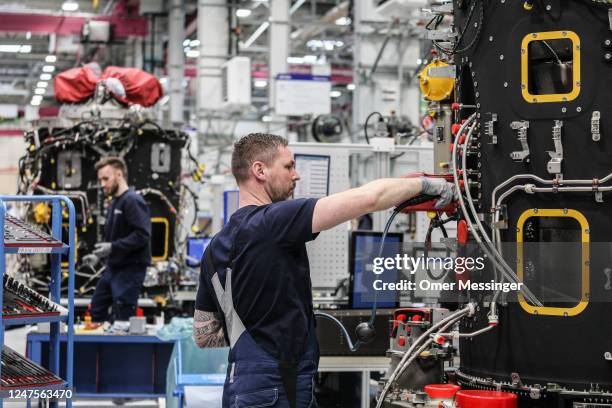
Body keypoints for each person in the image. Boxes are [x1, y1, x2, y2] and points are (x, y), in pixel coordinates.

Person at [193, 133, 457, 408]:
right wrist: (428, 185)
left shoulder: (215, 247)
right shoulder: (272, 222)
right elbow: (369, 198)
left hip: (243, 385)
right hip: (277, 385)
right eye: (288, 166)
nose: (296, 176)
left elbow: (204, 334)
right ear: (259, 170)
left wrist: (265, 320)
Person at [84, 156, 152, 322]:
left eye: (106, 179)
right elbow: (116, 238)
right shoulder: (116, 202)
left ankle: (122, 346)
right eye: (100, 179)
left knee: (124, 316)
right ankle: (103, 345)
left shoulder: (132, 201)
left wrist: (112, 248)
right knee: (97, 309)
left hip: (130, 270)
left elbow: (143, 235)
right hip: (113, 268)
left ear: (119, 175)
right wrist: (99, 255)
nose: (102, 184)